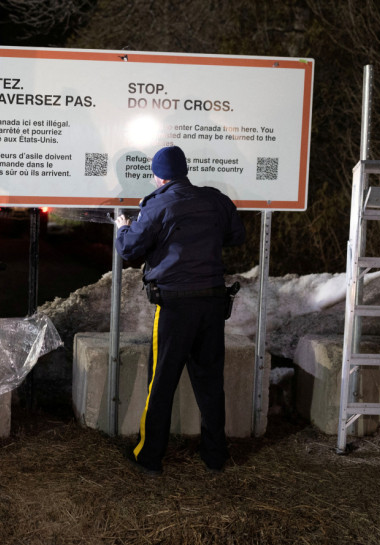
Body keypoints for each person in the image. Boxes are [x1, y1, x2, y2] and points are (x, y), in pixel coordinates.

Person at [115, 145, 245, 476]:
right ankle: (215, 456)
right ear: (185, 170)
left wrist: (121, 227)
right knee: (210, 382)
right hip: (213, 304)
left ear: (159, 176)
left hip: (175, 306)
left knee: (161, 382)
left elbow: (130, 248)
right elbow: (235, 235)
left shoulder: (157, 204)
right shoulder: (215, 199)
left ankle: (149, 456)